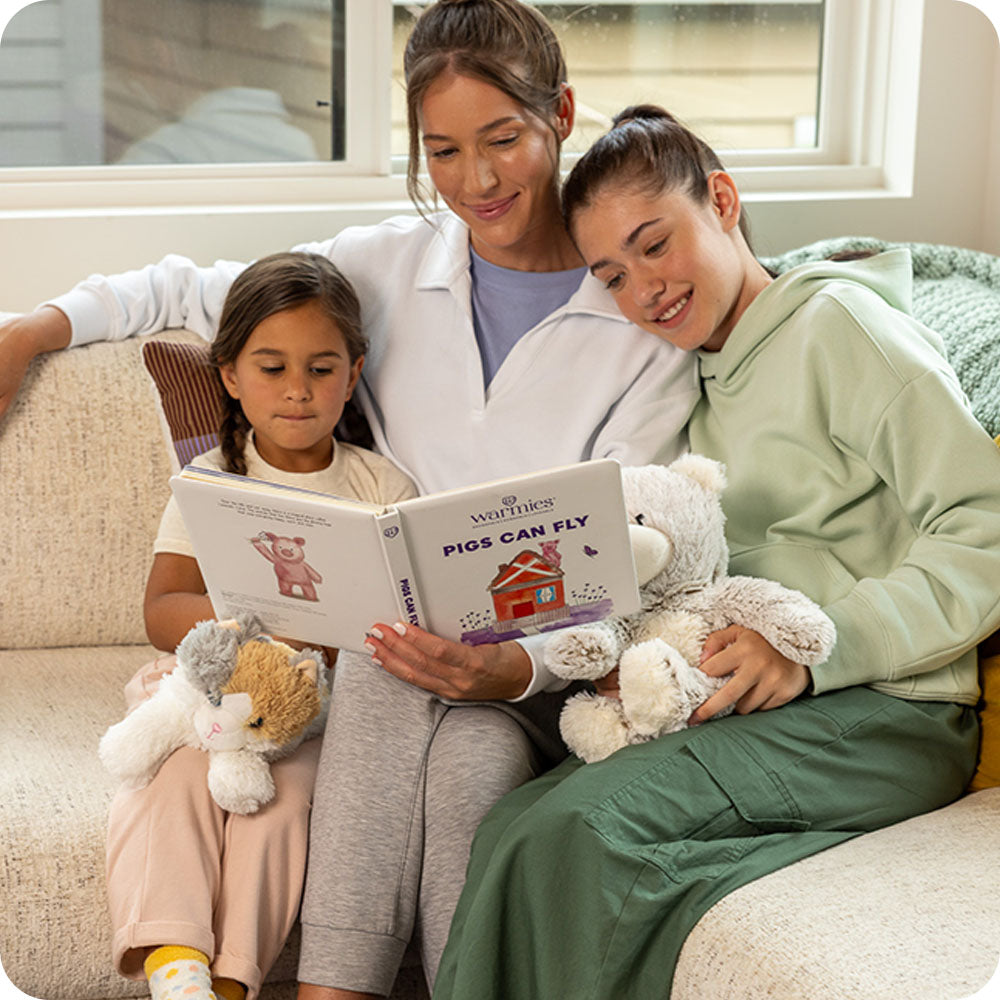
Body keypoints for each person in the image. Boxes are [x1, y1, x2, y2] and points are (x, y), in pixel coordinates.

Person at [0, 5, 699, 997]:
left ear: (561, 116)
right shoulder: (383, 268)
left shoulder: (638, 320)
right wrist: (32, 330)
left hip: (540, 667)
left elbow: (628, 549)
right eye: (443, 151)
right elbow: (188, 290)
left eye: (503, 138)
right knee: (451, 750)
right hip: (400, 656)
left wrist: (511, 666)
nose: (477, 180)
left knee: (434, 714)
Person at [431, 105, 1000, 1000]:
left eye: (655, 245)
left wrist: (816, 650)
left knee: (576, 833)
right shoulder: (687, 377)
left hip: (891, 710)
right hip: (753, 704)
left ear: (723, 203)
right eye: (613, 276)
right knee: (514, 823)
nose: (645, 290)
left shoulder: (841, 328)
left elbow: (986, 523)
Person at [106, 252, 417, 1000]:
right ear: (230, 375)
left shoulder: (381, 485)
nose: (297, 390)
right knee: (173, 778)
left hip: (318, 713)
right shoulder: (211, 481)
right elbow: (163, 608)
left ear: (354, 372)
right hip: (212, 694)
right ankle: (175, 960)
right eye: (272, 368)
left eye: (321, 369)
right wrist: (263, 625)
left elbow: (405, 617)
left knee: (282, 805)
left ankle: (231, 982)